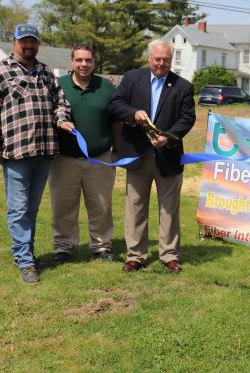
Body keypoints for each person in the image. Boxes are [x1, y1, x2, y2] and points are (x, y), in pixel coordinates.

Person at [0, 23, 74, 284]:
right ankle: (26, 261)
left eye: (33, 41)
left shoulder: (45, 72)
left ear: (38, 44)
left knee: (31, 209)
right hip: (16, 153)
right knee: (18, 210)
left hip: (43, 152)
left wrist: (62, 118)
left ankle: (24, 254)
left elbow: (60, 101)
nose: (28, 46)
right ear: (15, 42)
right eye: (24, 41)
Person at [109, 39, 195, 273]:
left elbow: (187, 119)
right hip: (138, 155)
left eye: (166, 60)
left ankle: (169, 254)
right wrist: (132, 113)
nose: (161, 64)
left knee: (169, 208)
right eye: (157, 59)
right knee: (135, 206)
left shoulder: (183, 87)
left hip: (168, 155)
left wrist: (169, 136)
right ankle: (135, 255)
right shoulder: (132, 78)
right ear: (149, 58)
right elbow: (115, 104)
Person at [49, 44, 121, 263]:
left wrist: (116, 150)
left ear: (94, 63)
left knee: (101, 205)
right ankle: (64, 247)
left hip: (99, 158)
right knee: (63, 206)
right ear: (71, 62)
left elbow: (117, 121)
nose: (83, 64)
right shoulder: (58, 86)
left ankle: (101, 246)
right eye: (79, 60)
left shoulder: (106, 87)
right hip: (64, 159)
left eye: (88, 60)